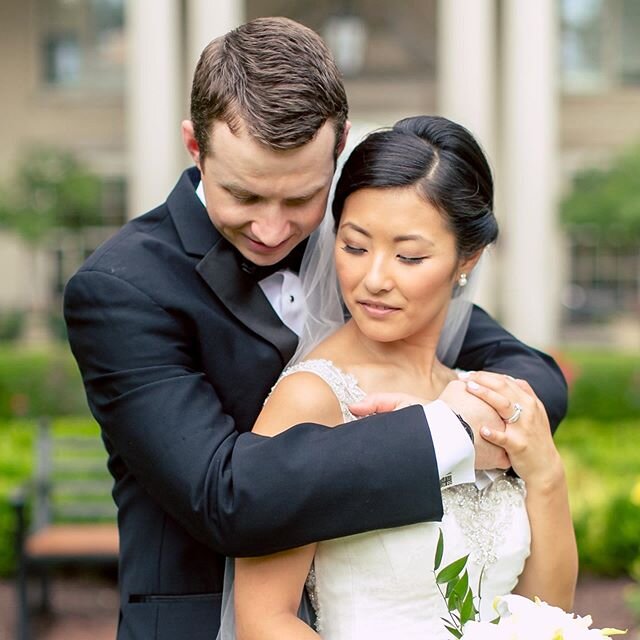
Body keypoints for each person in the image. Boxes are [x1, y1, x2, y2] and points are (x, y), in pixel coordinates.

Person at [63, 17, 567, 640]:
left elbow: (532, 374)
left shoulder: (360, 248)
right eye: (244, 196)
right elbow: (225, 497)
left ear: (339, 147)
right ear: (195, 147)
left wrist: (510, 426)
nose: (274, 230)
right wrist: (449, 432)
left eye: (301, 198)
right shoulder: (121, 289)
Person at [233, 115, 578, 640]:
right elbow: (263, 620)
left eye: (409, 256)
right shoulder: (313, 397)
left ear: (468, 258)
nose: (373, 279)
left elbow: (548, 613)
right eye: (354, 247)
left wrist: (545, 474)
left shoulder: (483, 395)